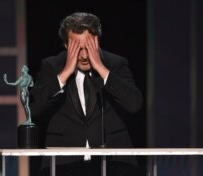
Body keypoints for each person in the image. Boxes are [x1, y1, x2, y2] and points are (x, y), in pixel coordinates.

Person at [30, 12, 143, 176]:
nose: (84, 56)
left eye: (88, 47)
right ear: (66, 45)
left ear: (97, 41)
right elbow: (33, 108)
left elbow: (134, 104)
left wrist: (102, 70)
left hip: (113, 163)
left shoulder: (116, 64)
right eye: (78, 48)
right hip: (64, 163)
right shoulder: (51, 66)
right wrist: (64, 74)